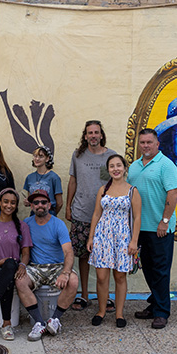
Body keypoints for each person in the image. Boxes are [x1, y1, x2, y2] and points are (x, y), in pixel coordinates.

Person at [127, 129, 177, 330]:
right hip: (140, 227)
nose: (146, 146)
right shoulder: (134, 167)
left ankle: (161, 312)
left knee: (160, 269)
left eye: (149, 142)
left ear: (157, 144)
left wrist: (164, 221)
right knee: (147, 268)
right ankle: (155, 302)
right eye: (142, 142)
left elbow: (173, 193)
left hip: (160, 227)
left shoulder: (166, 165)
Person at [65, 120, 116, 311]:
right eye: (89, 133)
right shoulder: (77, 156)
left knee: (104, 257)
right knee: (83, 256)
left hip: (105, 215)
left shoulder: (111, 156)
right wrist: (68, 207)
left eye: (96, 132)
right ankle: (84, 295)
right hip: (81, 213)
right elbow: (72, 182)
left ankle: (106, 296)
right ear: (85, 136)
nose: (93, 136)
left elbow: (115, 183)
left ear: (101, 135)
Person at [15, 189, 78, 341]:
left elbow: (68, 252)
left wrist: (65, 272)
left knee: (74, 281)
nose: (40, 205)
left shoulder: (58, 224)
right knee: (20, 281)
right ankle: (38, 322)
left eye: (43, 202)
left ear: (49, 205)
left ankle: (55, 320)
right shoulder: (26, 224)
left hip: (56, 266)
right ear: (31, 206)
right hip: (35, 266)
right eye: (36, 203)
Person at [87, 154, 141, 328]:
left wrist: (134, 241)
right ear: (108, 170)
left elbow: (138, 217)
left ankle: (119, 313)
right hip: (103, 235)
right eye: (112, 166)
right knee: (102, 277)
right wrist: (91, 237)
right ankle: (101, 311)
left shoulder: (132, 190)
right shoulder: (103, 189)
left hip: (123, 237)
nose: (115, 169)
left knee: (119, 276)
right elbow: (96, 213)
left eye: (119, 165)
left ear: (125, 168)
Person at [0, 188, 32, 341]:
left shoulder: (22, 226)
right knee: (6, 278)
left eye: (13, 203)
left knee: (9, 265)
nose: (9, 205)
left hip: (13, 268)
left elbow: (26, 253)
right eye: (6, 202)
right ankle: (6, 325)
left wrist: (22, 265)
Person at [22, 145, 63, 215]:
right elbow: (30, 198)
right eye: (35, 156)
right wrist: (28, 202)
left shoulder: (54, 177)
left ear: (47, 158)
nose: (37, 159)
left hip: (49, 213)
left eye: (41, 156)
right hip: (34, 214)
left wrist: (52, 215)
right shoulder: (29, 177)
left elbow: (59, 203)